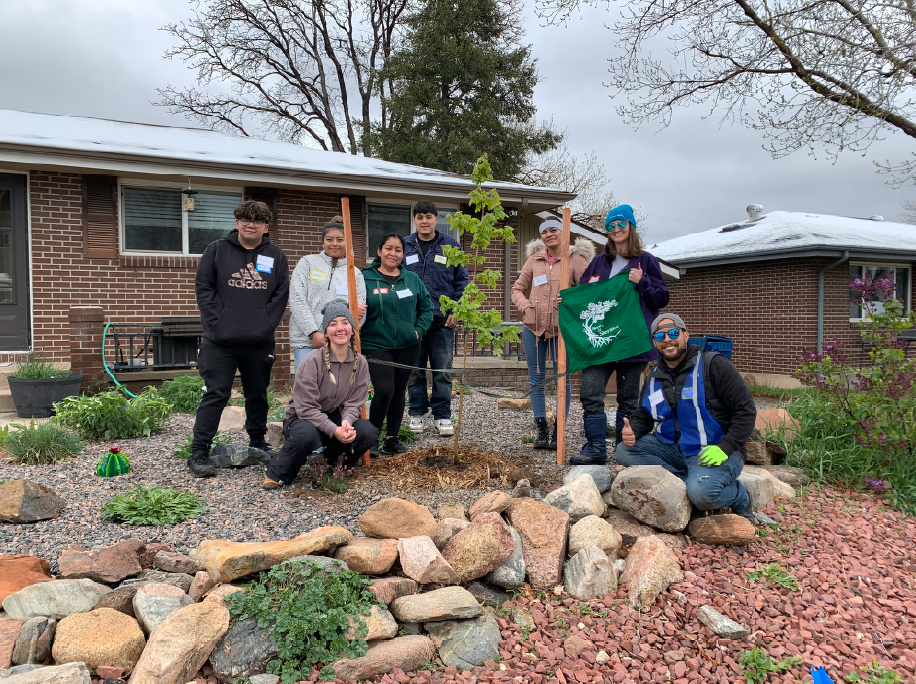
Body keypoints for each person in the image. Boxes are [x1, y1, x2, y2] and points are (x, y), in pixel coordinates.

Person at [616, 313, 757, 522]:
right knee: (624, 450)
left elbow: (745, 410)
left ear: (686, 335)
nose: (667, 340)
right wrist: (633, 430)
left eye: (673, 333)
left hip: (714, 449)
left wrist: (726, 447)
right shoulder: (653, 376)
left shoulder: (714, 365)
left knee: (703, 496)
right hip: (673, 448)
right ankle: (688, 482)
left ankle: (739, 496)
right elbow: (644, 415)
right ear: (655, 342)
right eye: (660, 336)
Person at [189, 200, 290, 478]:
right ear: (236, 223)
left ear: (265, 227)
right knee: (215, 394)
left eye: (257, 221)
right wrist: (218, 323)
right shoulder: (217, 251)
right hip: (219, 341)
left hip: (259, 341)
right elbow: (204, 288)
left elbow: (280, 295)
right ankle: (199, 452)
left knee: (257, 394)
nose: (250, 224)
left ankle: (258, 441)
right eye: (245, 219)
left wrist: (266, 325)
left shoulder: (276, 256)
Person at [572, 204, 669, 466]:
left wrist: (643, 283)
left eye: (621, 225)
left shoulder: (646, 261)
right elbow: (584, 296)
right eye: (611, 226)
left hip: (631, 343)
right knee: (591, 393)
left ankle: (622, 449)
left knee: (627, 398)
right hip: (599, 343)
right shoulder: (599, 262)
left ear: (631, 227)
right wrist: (568, 303)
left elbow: (662, 298)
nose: (616, 230)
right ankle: (595, 448)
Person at [262, 300, 378, 489]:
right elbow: (306, 408)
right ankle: (278, 472)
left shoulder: (361, 363)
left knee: (367, 432)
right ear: (326, 332)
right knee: (306, 435)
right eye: (333, 324)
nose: (340, 329)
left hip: (336, 416)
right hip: (303, 418)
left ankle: (332, 464)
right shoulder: (312, 361)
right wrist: (334, 430)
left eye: (345, 322)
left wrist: (346, 422)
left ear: (352, 329)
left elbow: (354, 403)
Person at [511, 216, 593, 449]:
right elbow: (517, 288)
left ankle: (559, 429)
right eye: (545, 231)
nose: (549, 234)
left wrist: (571, 299)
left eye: (554, 230)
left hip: (561, 329)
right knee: (536, 378)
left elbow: (588, 292)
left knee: (561, 379)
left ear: (563, 232)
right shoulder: (534, 260)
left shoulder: (575, 260)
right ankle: (542, 429)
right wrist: (526, 307)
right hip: (533, 327)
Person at [361, 233, 434, 455]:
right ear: (379, 251)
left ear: (403, 254)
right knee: (384, 390)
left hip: (408, 345)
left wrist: (417, 331)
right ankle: (370, 438)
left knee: (399, 391)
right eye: (389, 248)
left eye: (398, 250)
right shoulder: (365, 277)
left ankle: (391, 439)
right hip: (375, 344)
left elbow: (427, 308)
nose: (393, 253)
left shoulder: (412, 279)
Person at [403, 200, 469, 437]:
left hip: (443, 320)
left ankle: (442, 415)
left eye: (429, 216)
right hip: (413, 320)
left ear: (436, 219)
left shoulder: (450, 246)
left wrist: (457, 310)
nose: (424, 221)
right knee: (415, 369)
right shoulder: (405, 246)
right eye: (420, 216)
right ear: (414, 220)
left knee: (442, 370)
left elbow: (462, 282)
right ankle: (417, 413)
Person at [289, 217, 367, 371]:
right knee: (307, 386)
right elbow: (297, 299)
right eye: (329, 239)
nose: (335, 244)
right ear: (323, 242)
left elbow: (360, 313)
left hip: (339, 343)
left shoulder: (354, 273)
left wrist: (352, 321)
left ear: (348, 242)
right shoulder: (308, 263)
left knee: (336, 388)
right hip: (307, 340)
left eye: (340, 239)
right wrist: (313, 333)